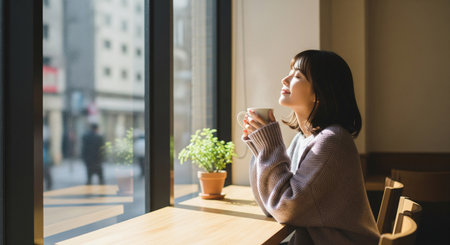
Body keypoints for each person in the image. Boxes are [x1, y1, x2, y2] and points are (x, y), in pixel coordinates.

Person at [242, 50, 380, 244]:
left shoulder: (333, 141)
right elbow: (271, 205)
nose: (285, 79)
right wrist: (260, 147)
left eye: (297, 75)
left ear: (320, 93)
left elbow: (285, 208)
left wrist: (269, 146)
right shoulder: (303, 139)